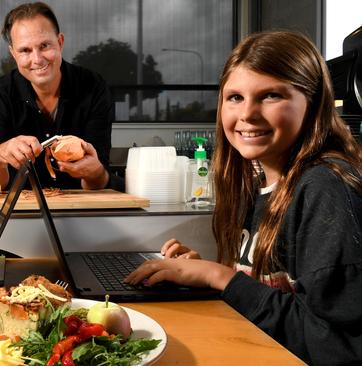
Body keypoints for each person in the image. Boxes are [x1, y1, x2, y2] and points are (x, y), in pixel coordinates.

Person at [125, 31, 362, 364]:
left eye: (270, 96)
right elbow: (271, 296)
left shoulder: (325, 188)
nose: (248, 113)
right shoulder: (258, 181)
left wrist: (219, 277)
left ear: (313, 102)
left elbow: (338, 347)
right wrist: (202, 275)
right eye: (235, 97)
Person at [0, 2, 121, 191]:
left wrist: (95, 172)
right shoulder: (2, 92)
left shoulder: (93, 87)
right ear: (13, 53)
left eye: (44, 45)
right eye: (25, 50)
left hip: (81, 210)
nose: (37, 59)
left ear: (60, 42)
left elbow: (99, 182)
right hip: (20, 212)